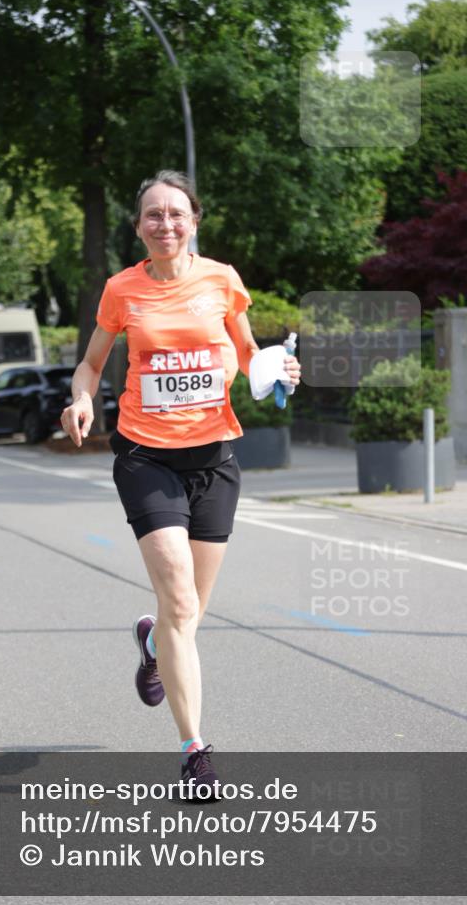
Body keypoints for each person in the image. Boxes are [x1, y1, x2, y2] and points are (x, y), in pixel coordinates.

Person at [60, 171, 301, 794]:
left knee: (185, 616)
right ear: (139, 226)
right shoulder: (122, 289)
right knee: (182, 604)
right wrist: (81, 400)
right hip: (146, 457)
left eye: (175, 213)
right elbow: (91, 364)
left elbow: (247, 355)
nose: (164, 223)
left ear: (194, 221)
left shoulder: (222, 280)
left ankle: (153, 648)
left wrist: (277, 368)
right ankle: (195, 753)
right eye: (153, 214)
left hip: (214, 460)